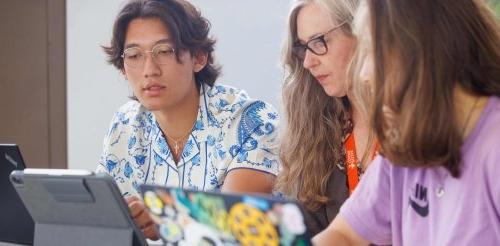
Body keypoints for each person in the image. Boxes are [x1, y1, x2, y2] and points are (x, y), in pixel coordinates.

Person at [313, 0, 500, 245]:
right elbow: (343, 234)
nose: (364, 74)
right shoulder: (406, 148)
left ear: (417, 48)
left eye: (371, 50)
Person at [97, 0, 279, 239]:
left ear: (199, 57)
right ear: (122, 66)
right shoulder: (125, 125)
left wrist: (161, 219)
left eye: (164, 51)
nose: (149, 70)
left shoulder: (251, 121)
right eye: (134, 55)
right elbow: (100, 222)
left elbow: (232, 229)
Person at [275, 0, 378, 236]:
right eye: (302, 47)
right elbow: (303, 230)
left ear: (363, 33)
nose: (308, 62)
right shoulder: (315, 130)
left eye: (319, 42)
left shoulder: (414, 124)